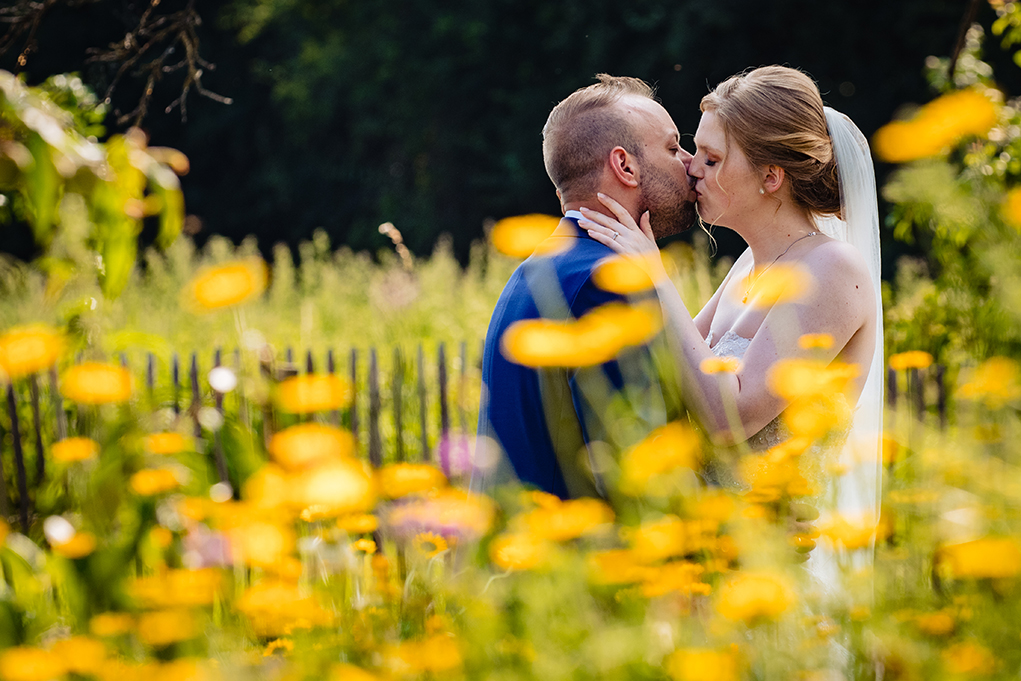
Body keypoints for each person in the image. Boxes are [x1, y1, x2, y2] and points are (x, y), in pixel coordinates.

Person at [578, 66, 884, 531]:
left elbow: (730, 417)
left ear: (771, 176)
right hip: (711, 554)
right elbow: (675, 374)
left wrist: (655, 278)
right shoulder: (747, 266)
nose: (690, 167)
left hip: (775, 569)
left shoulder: (833, 270)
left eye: (712, 159)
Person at [472, 74, 696, 499]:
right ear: (624, 165)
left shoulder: (534, 272)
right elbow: (638, 476)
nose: (690, 161)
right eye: (672, 147)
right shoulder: (608, 282)